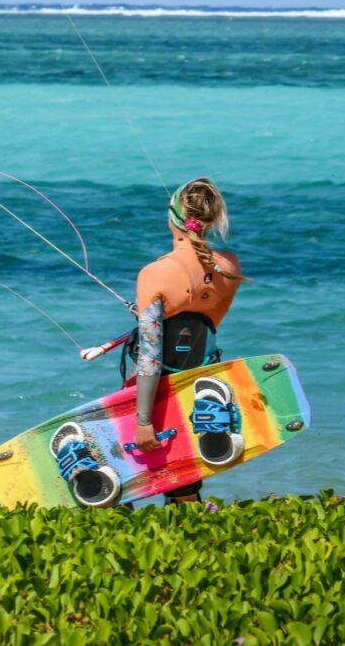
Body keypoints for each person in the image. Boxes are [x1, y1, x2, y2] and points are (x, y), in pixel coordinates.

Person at [90, 177, 245, 505]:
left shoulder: (155, 273)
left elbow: (150, 356)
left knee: (124, 473)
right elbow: (207, 323)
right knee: (183, 476)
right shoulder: (229, 265)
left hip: (159, 387)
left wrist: (144, 421)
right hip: (202, 377)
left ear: (173, 217)